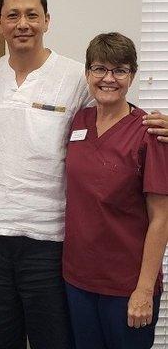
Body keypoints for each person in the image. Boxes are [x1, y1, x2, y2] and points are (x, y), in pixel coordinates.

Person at [0, 0, 168, 349]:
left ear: (46, 20)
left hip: (49, 242)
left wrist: (158, 125)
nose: (22, 23)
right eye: (12, 15)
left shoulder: (75, 76)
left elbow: (116, 116)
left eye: (31, 14)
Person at [63, 32, 168, 349]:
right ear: (87, 73)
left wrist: (144, 289)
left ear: (132, 75)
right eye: (99, 69)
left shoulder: (149, 132)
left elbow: (161, 219)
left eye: (119, 70)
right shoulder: (78, 121)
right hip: (77, 280)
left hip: (126, 286)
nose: (108, 78)